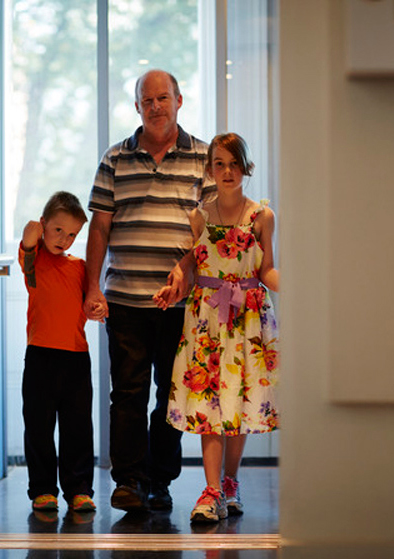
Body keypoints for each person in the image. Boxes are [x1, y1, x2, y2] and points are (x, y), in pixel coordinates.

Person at [84, 69, 216, 512]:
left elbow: (213, 230)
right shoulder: (115, 159)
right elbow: (99, 227)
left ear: (179, 100)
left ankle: (160, 480)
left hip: (182, 304)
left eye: (163, 98)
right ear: (137, 107)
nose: (156, 106)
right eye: (147, 100)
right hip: (125, 298)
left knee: (171, 395)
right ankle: (129, 482)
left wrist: (187, 268)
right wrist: (92, 287)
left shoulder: (205, 157)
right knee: (127, 392)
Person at [153, 132, 280, 523]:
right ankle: (210, 491)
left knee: (239, 401)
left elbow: (266, 269)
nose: (227, 171)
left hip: (248, 318)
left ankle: (229, 483)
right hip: (207, 318)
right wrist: (175, 287)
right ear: (209, 169)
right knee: (210, 402)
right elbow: (195, 267)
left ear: (246, 167)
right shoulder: (200, 217)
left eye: (234, 163)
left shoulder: (262, 216)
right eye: (220, 164)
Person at [19, 191, 96, 515]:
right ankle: (43, 490)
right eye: (58, 230)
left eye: (72, 234)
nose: (64, 239)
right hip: (40, 355)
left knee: (77, 427)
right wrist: (37, 230)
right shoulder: (33, 260)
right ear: (44, 225)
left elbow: (91, 302)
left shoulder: (80, 267)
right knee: (39, 426)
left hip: (76, 357)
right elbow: (28, 236)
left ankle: (79, 489)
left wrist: (96, 307)